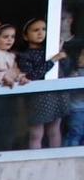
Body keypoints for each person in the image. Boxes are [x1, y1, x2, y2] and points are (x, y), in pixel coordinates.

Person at [19, 16, 66, 149]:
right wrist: (53, 60)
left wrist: (60, 54)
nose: (40, 33)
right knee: (36, 133)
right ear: (26, 36)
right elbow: (31, 75)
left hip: (56, 94)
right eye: (35, 30)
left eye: (44, 29)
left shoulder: (50, 50)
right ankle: (35, 161)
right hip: (38, 97)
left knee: (54, 130)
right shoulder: (25, 55)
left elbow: (65, 70)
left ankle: (56, 160)